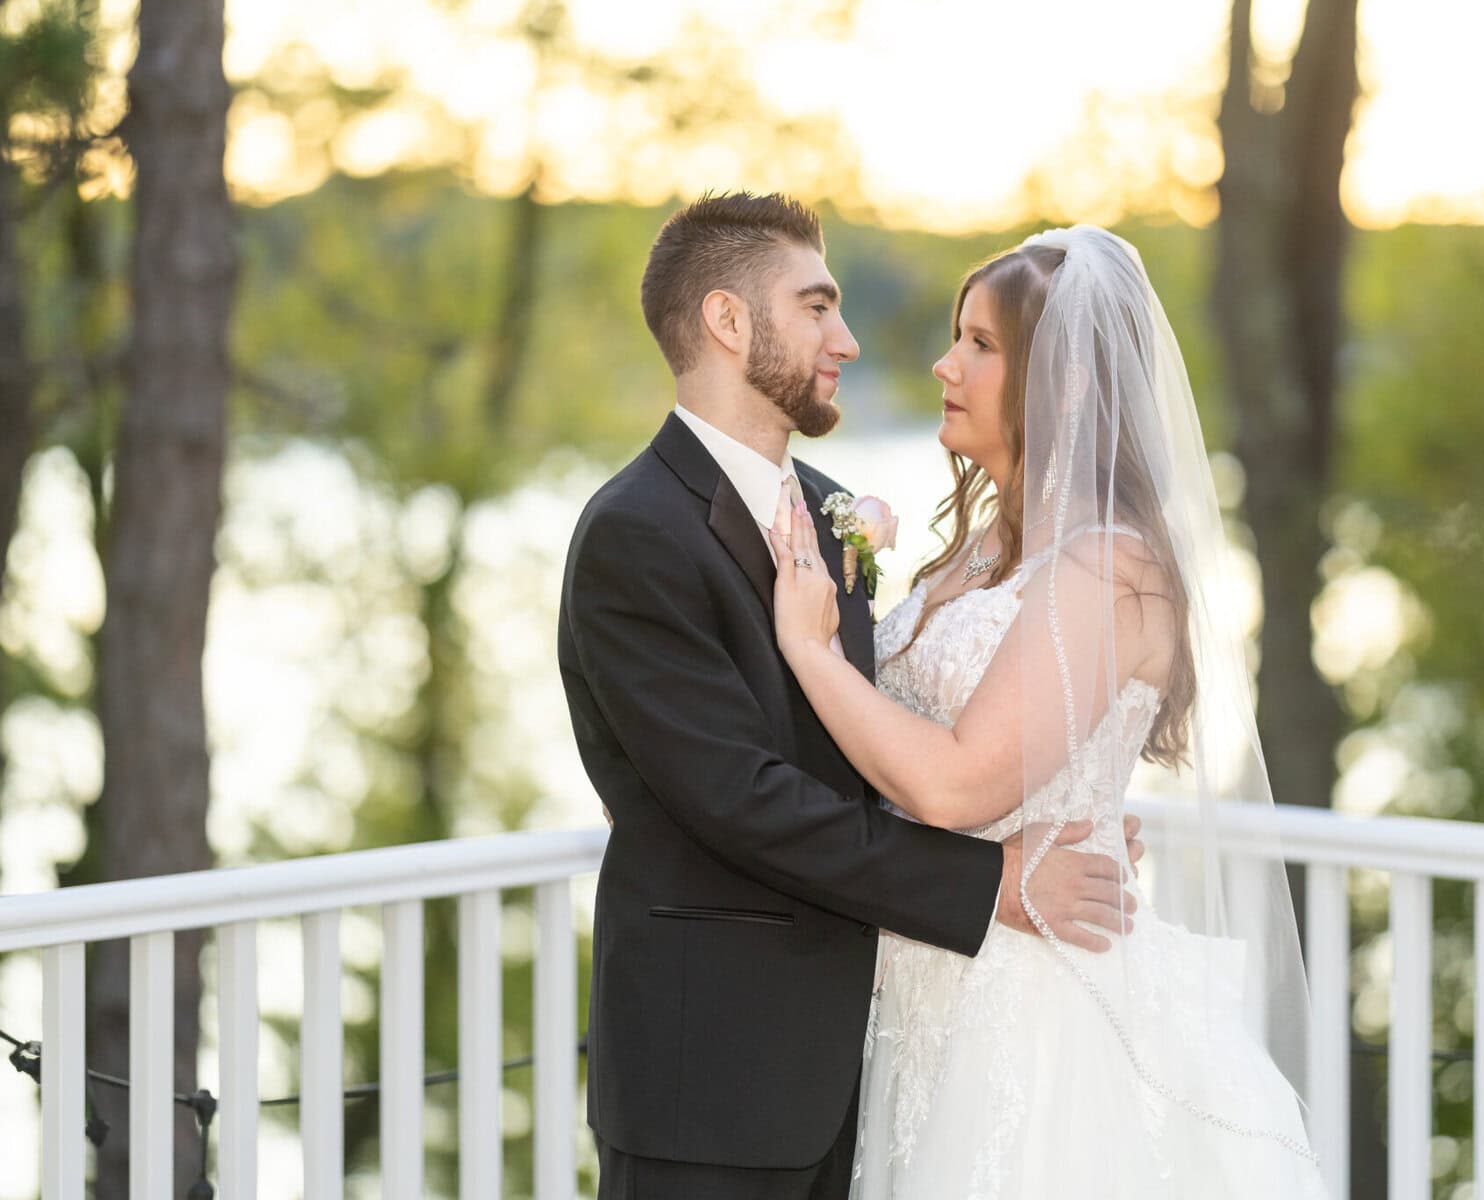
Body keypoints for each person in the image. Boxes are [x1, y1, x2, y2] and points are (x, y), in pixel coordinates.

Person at [557, 193, 1144, 1200]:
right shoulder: (636, 532)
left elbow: (886, 742)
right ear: (729, 322)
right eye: (818, 308)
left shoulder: (833, 513)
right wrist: (990, 881)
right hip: (716, 1080)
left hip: (874, 1054)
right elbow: (738, 798)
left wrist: (1056, 790)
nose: (851, 340)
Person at [771, 226, 1328, 1197]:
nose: (946, 363)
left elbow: (949, 785)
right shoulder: (984, 547)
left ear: (1063, 381)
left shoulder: (1111, 565)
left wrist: (809, 652)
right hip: (930, 990)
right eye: (956, 337)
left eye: (981, 345)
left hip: (1037, 1012)